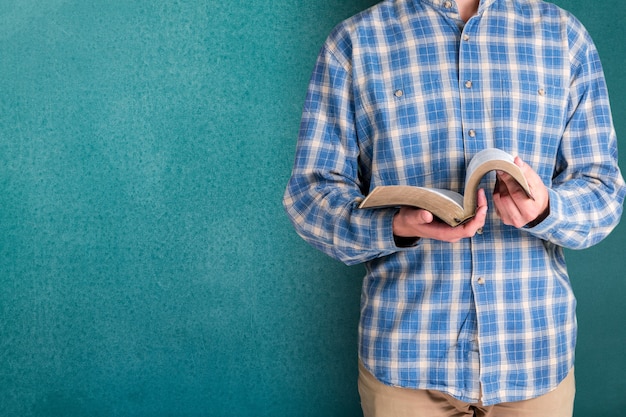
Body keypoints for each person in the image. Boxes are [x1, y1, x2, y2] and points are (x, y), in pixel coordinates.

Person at [283, 0, 626, 415]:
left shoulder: (563, 36)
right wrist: (395, 227)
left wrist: (546, 209)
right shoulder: (355, 42)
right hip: (406, 362)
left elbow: (604, 190)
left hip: (534, 355)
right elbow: (310, 196)